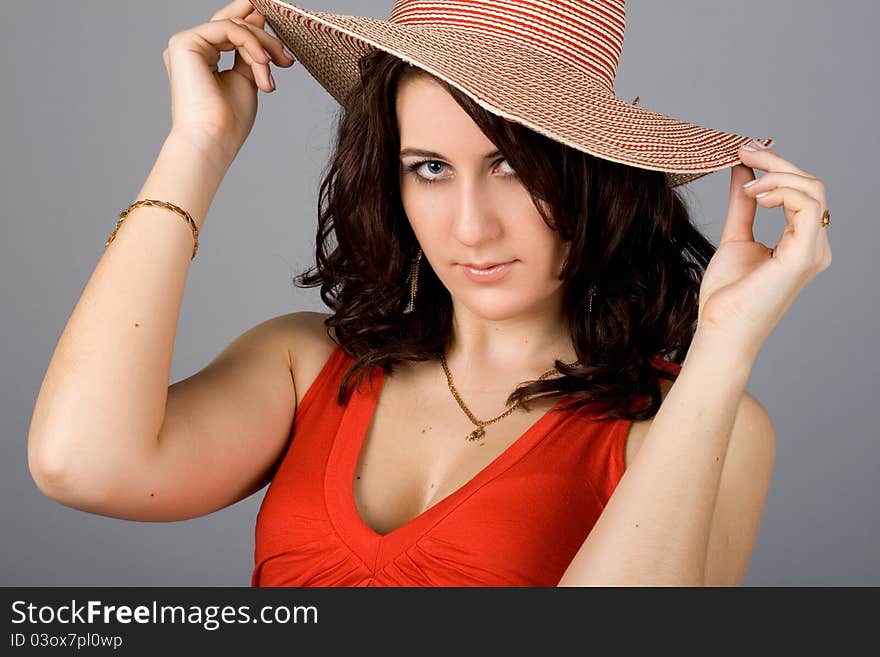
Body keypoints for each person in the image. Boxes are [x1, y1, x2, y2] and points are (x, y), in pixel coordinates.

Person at [27, 0, 832, 587]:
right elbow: (79, 463)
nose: (471, 227)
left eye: (513, 166)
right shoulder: (308, 364)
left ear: (595, 179)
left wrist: (722, 346)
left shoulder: (689, 422)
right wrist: (196, 147)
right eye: (430, 168)